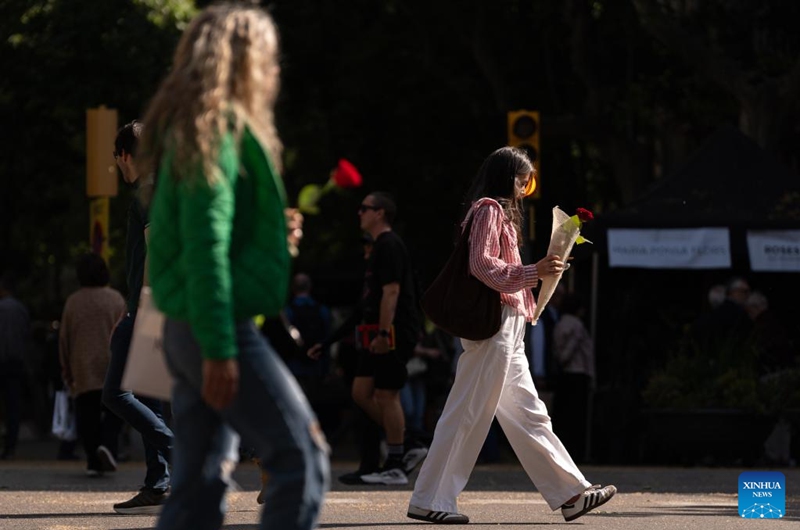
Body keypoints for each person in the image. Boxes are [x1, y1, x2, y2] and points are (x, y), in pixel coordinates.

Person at [141, 4, 329, 529]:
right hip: (212, 330)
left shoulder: (193, 130)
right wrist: (221, 348)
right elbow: (204, 247)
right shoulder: (218, 130)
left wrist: (270, 237)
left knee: (197, 488)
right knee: (302, 460)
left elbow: (207, 238)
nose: (274, 72)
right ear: (244, 62)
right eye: (268, 60)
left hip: (190, 325)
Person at [407, 147, 616, 524]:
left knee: (528, 413)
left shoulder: (494, 209)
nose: (525, 188)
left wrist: (537, 277)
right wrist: (533, 272)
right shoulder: (489, 208)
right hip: (496, 326)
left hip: (508, 323)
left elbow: (490, 266)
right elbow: (481, 264)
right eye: (522, 180)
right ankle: (429, 499)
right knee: (468, 412)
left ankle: (571, 493)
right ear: (506, 177)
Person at [312, 192, 426, 486]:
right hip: (376, 330)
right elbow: (368, 302)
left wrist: (384, 334)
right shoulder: (378, 248)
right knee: (361, 392)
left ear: (380, 213)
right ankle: (408, 443)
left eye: (364, 208)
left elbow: (392, 293)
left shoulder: (389, 244)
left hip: (392, 330)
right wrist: (328, 342)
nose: (359, 213)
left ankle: (397, 463)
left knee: (387, 395)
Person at [101, 120, 175, 514]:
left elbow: (157, 251)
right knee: (149, 395)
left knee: (115, 393)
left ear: (126, 155)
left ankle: (184, 454)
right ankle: (158, 482)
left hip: (151, 306)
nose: (120, 167)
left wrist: (142, 310)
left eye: (118, 160)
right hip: (151, 305)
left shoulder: (147, 191)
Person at [59, 254, 126, 476]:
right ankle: (107, 444)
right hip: (111, 363)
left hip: (82, 366)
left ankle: (92, 460)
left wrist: (66, 369)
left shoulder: (73, 302)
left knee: (86, 415)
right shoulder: (116, 299)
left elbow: (64, 339)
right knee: (117, 410)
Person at [552, 291, 595, 463]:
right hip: (577, 373)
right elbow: (576, 349)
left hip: (565, 375)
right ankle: (576, 454)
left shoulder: (559, 322)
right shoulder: (577, 325)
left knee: (564, 416)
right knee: (576, 417)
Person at [0, 273, 30, 460]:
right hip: (16, 363)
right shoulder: (21, 309)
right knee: (13, 406)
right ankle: (11, 445)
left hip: (2, 360)